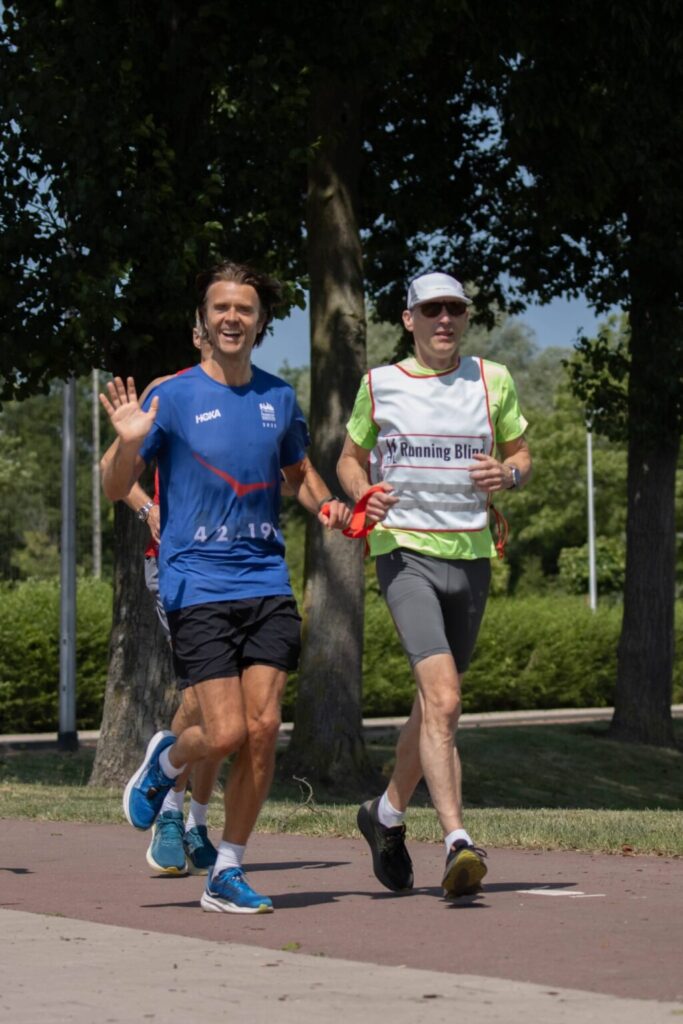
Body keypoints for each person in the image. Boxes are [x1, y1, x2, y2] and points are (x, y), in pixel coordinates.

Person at [100, 259, 351, 915]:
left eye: (244, 309)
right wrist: (127, 445)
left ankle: (226, 871)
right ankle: (165, 764)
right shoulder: (172, 396)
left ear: (259, 323)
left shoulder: (279, 398)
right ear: (201, 326)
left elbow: (298, 475)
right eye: (221, 309)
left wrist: (333, 511)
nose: (232, 317)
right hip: (198, 582)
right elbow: (110, 483)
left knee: (264, 729)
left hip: (266, 578)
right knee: (225, 732)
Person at [337, 270, 532, 899]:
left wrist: (510, 474)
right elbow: (348, 457)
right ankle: (457, 841)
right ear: (409, 318)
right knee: (445, 701)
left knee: (431, 707)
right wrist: (362, 493)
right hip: (404, 554)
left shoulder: (490, 378)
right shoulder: (380, 383)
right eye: (432, 310)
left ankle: (385, 814)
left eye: (454, 309)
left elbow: (521, 453)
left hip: (471, 558)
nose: (444, 320)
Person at [112, 321, 222, 877]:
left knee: (236, 708)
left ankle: (198, 818)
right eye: (212, 320)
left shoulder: (254, 397)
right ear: (197, 330)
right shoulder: (167, 390)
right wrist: (144, 507)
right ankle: (173, 811)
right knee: (206, 699)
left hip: (238, 572)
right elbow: (115, 472)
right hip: (176, 565)